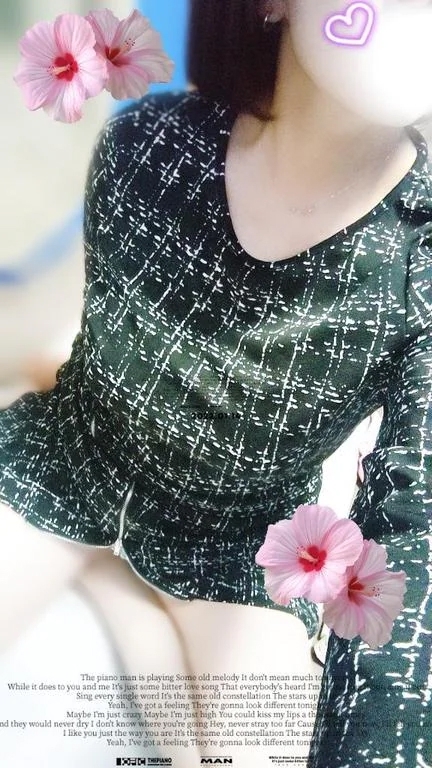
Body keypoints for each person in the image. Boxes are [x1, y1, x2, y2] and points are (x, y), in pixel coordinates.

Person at [1, 0, 431, 766]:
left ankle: (118, 588)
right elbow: (92, 351)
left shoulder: (418, 268)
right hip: (65, 462)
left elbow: (415, 532)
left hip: (240, 551)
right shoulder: (148, 142)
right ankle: (116, 581)